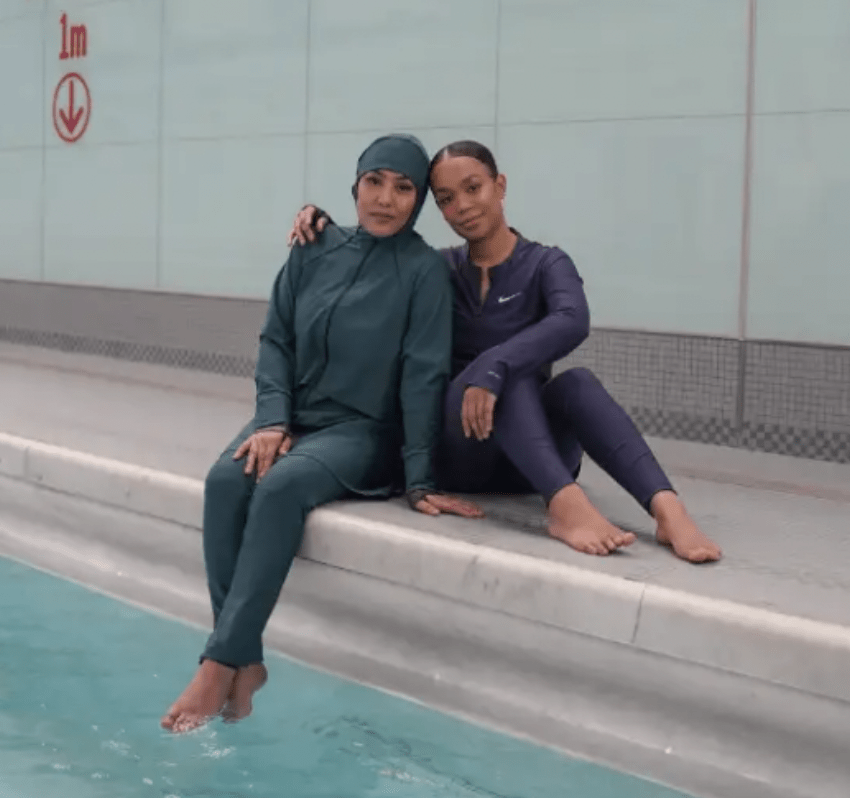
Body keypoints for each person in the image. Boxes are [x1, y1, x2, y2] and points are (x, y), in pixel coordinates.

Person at [160, 134, 483, 734]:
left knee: (281, 488)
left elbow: (423, 376)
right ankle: (246, 661)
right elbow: (275, 338)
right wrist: (275, 419)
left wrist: (418, 478)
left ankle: (217, 662)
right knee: (225, 482)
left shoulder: (423, 273)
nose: (386, 199)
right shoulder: (313, 247)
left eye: (404, 188)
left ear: (417, 202)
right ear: (355, 184)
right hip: (291, 417)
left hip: (363, 431)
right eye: (374, 182)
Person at [287, 140, 722, 564]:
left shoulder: (546, 264)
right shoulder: (437, 270)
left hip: (535, 459)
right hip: (461, 454)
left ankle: (667, 511)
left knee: (575, 383)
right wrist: (326, 230)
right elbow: (374, 269)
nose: (463, 206)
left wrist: (493, 364)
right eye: (446, 198)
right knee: (509, 378)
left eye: (473, 188)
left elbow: (573, 318)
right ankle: (567, 510)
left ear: (500, 185)